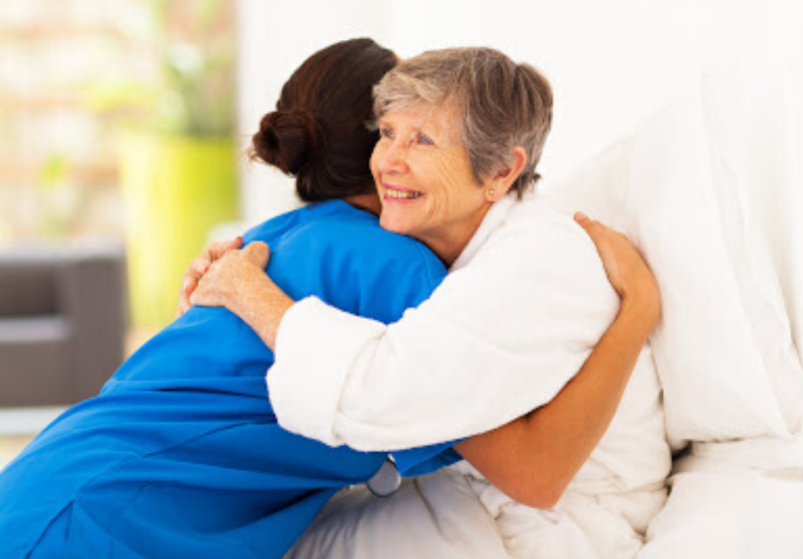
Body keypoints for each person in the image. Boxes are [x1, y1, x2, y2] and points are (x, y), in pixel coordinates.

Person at [0, 39, 658, 559]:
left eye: (422, 134)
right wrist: (635, 317)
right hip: (97, 516)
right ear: (369, 138)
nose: (399, 151)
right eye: (395, 128)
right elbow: (527, 465)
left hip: (65, 483)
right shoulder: (397, 271)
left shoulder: (275, 238)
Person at [185, 47, 671, 559]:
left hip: (552, 528)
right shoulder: (433, 247)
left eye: (423, 140)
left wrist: (245, 289)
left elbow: (380, 390)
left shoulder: (533, 262)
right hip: (475, 498)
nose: (389, 161)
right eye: (388, 132)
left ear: (501, 170)